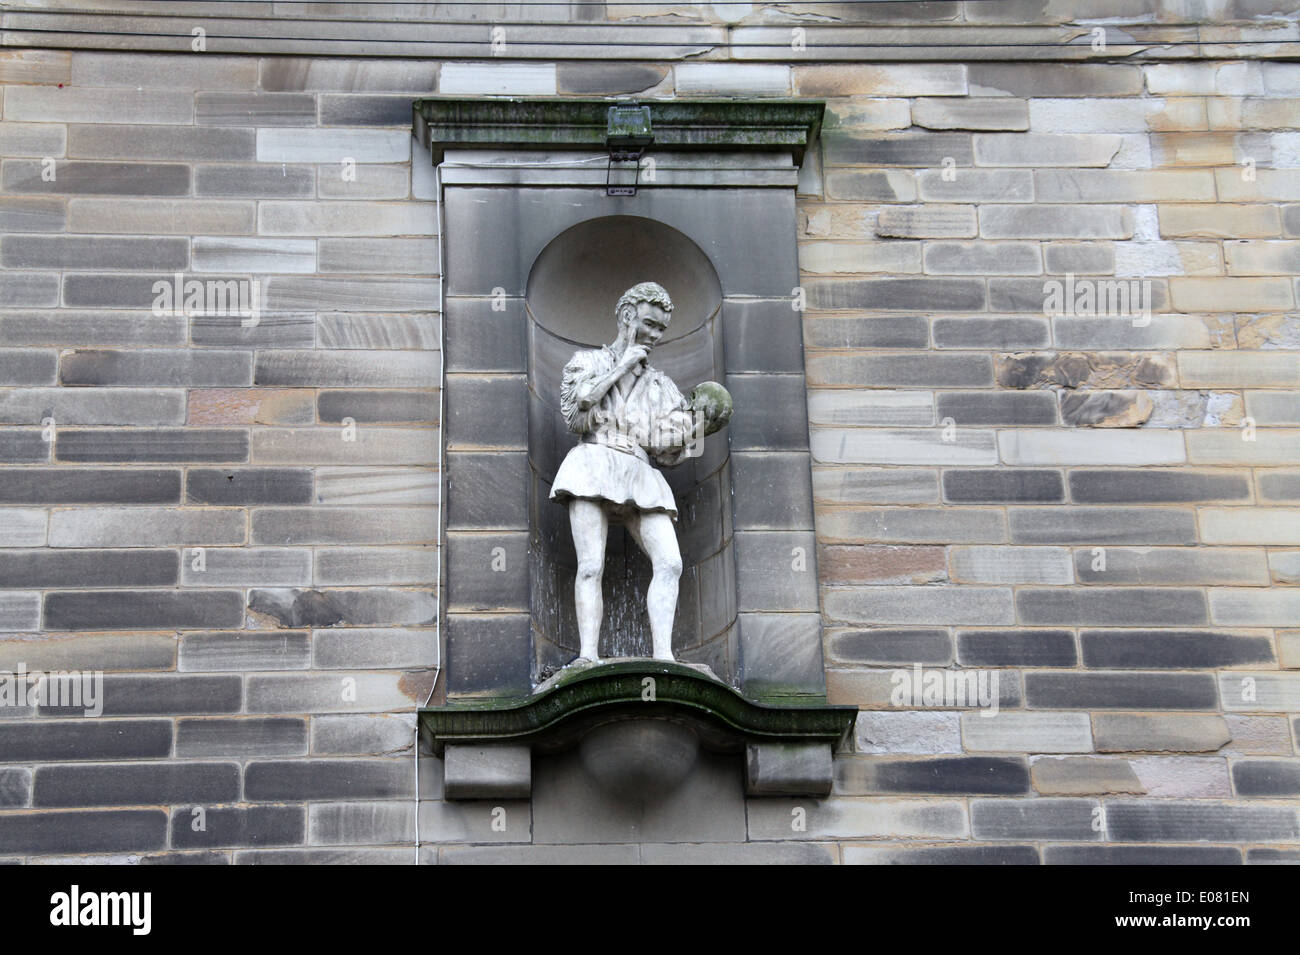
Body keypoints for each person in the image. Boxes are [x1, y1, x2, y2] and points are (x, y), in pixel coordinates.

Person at [550, 281, 730, 663]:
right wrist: (624, 365)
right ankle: (587, 656)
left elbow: (667, 449)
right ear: (627, 316)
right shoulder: (588, 361)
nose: (655, 335)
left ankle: (663, 656)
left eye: (661, 328)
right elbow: (577, 410)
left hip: (639, 470)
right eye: (649, 324)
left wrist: (702, 424)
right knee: (591, 565)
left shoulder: (661, 385)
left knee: (671, 563)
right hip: (594, 460)